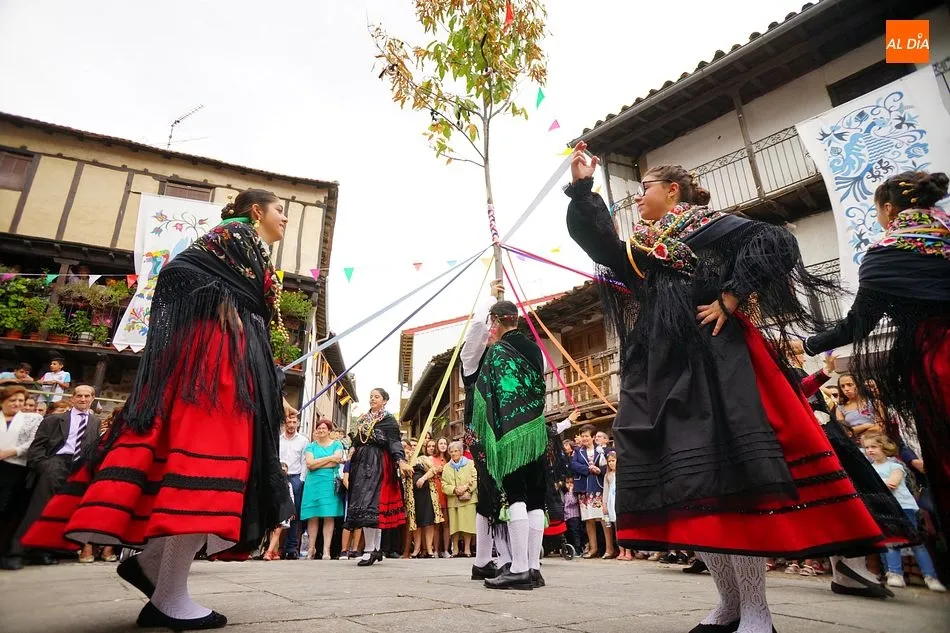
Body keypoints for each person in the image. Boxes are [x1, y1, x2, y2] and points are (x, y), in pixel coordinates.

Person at [565, 142, 890, 633]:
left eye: (645, 187)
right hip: (662, 366)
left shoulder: (712, 227)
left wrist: (731, 298)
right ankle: (727, 605)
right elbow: (600, 243)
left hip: (718, 359)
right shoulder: (645, 248)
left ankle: (758, 612)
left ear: (673, 190)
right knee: (692, 491)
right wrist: (584, 187)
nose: (637, 198)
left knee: (735, 486)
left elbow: (776, 242)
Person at [20, 189, 294, 631]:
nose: (285, 219)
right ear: (256, 211)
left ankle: (152, 567)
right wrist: (224, 306)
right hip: (216, 365)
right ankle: (167, 594)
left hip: (220, 360)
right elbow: (179, 271)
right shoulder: (235, 234)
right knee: (204, 470)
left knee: (196, 469)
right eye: (281, 210)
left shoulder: (243, 245)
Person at [806, 170, 950, 580]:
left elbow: (857, 327)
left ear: (888, 209)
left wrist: (812, 344)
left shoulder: (889, 252)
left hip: (939, 356)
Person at [471, 297, 549, 591]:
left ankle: (517, 568)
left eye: (491, 323)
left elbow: (488, 393)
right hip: (537, 432)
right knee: (536, 498)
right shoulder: (536, 350)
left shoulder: (499, 352)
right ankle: (534, 568)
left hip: (510, 435)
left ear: (496, 319)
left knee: (515, 494)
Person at [11, 385, 99, 568]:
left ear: (92, 398)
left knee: (63, 511)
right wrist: (45, 466)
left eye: (87, 396)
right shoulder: (54, 419)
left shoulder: (95, 422)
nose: (83, 399)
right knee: (40, 509)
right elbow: (37, 447)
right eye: (79, 396)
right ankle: (18, 551)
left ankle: (46, 551)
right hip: (56, 463)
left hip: (80, 469)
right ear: (72, 398)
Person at [462, 281, 512, 582]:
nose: (492, 335)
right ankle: (504, 558)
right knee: (495, 488)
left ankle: (484, 560)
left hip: (501, 431)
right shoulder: (472, 360)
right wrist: (491, 300)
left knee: (494, 490)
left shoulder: (503, 360)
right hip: (481, 433)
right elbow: (477, 330)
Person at [862, 433, 946, 591]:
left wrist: (871, 485)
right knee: (891, 542)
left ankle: (930, 576)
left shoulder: (895, 466)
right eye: (867, 447)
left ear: (884, 447)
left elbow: (893, 483)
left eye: (874, 446)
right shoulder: (870, 469)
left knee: (916, 543)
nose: (870, 450)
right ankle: (894, 573)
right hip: (885, 510)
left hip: (904, 507)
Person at [344, 388, 412, 566]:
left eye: (377, 396)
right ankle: (374, 549)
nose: (373, 399)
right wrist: (352, 449)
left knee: (372, 504)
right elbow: (356, 439)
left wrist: (401, 460)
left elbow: (394, 442)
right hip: (361, 464)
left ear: (385, 400)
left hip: (378, 464)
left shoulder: (388, 420)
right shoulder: (363, 419)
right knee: (366, 505)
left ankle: (370, 550)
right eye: (371, 396)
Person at [0, 385, 42, 570]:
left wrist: (11, 451)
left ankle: (4, 552)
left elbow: (32, 442)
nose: (17, 404)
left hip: (16, 468)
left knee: (8, 511)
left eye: (21, 401)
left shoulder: (32, 419)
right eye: (12, 400)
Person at [300, 419, 345, 560]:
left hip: (329, 483)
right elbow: (310, 465)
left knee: (328, 515)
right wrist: (330, 459)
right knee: (312, 516)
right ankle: (311, 548)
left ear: (329, 430)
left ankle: (326, 550)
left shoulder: (337, 444)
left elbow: (337, 459)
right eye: (319, 428)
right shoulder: (310, 446)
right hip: (313, 483)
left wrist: (318, 462)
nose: (321, 430)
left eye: (324, 428)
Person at [569, 424, 611, 558]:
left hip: (598, 487)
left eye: (587, 436)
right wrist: (588, 469)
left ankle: (609, 549)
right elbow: (573, 464)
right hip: (584, 488)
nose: (584, 438)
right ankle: (593, 548)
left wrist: (600, 470)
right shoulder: (578, 451)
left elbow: (609, 464)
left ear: (593, 437)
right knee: (589, 519)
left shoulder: (602, 451)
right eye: (582, 436)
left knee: (604, 519)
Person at [278, 407, 307, 560]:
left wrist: (301, 480)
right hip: (279, 477)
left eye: (294, 421)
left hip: (295, 477)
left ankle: (291, 548)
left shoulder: (303, 441)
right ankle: (274, 547)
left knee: (293, 514)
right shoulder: (278, 439)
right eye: (289, 421)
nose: (291, 424)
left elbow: (304, 462)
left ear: (298, 424)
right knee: (276, 512)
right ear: (285, 424)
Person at [442, 440, 477, 557]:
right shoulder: (446, 467)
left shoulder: (470, 463)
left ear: (461, 452)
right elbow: (444, 484)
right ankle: (455, 549)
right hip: (453, 499)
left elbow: (475, 479)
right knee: (454, 526)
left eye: (456, 451)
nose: (453, 453)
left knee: (468, 524)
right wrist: (454, 489)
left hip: (468, 498)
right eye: (451, 451)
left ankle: (467, 549)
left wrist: (466, 488)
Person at [263, 463, 295, 561]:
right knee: (272, 532)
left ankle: (269, 552)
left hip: (284, 510)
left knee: (277, 532)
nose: (283, 473)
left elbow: (291, 498)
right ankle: (272, 551)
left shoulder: (289, 485)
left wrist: (292, 511)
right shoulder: (271, 483)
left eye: (285, 471)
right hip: (274, 510)